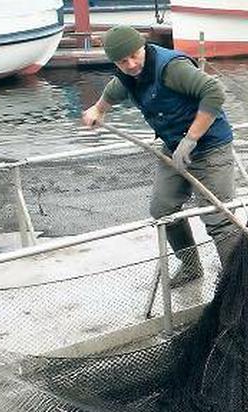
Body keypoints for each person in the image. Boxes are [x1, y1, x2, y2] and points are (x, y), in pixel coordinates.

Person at [81, 25, 237, 287]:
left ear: (143, 47)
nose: (130, 64)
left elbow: (214, 92)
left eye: (134, 56)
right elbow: (115, 89)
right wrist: (98, 110)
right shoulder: (127, 75)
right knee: (162, 210)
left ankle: (237, 282)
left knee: (218, 219)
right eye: (122, 61)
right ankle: (191, 267)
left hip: (209, 146)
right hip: (173, 147)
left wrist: (191, 139)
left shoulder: (171, 68)